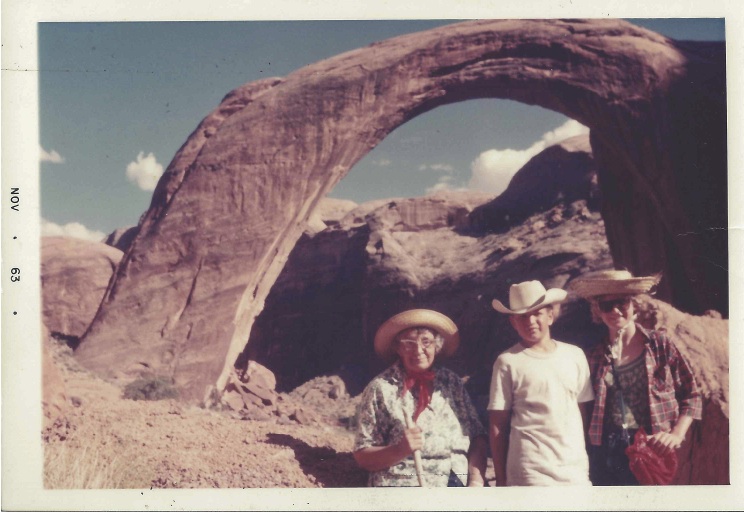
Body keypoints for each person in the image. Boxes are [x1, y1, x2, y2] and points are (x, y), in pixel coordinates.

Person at [569, 269, 702, 485]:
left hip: (650, 448)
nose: (615, 311)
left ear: (634, 304)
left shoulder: (659, 345)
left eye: (621, 303)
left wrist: (676, 434)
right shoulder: (594, 355)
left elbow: (692, 395)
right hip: (606, 452)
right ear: (598, 312)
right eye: (606, 306)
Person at [353, 309, 488, 487]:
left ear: (436, 346)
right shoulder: (381, 388)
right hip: (405, 486)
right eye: (409, 343)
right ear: (398, 348)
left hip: (456, 482)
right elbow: (363, 456)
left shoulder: (451, 383)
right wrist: (399, 450)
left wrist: (476, 482)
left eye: (426, 342)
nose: (418, 350)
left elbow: (477, 436)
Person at [488, 280, 594, 486]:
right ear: (513, 322)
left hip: (574, 469)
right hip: (529, 471)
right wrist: (501, 480)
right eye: (523, 317)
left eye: (537, 313)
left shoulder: (574, 355)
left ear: (550, 316)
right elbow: (497, 424)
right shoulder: (508, 361)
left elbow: (583, 411)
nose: (531, 321)